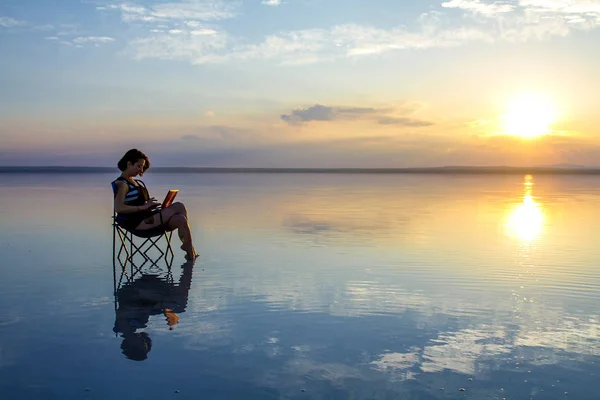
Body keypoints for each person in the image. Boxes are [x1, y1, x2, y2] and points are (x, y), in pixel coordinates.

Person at [112, 149, 198, 261]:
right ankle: (190, 250)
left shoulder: (136, 183)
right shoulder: (122, 184)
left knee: (180, 219)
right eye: (139, 166)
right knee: (179, 206)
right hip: (136, 223)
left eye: (142, 167)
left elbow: (137, 203)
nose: (141, 170)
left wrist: (148, 205)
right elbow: (118, 208)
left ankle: (190, 258)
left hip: (146, 218)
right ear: (129, 164)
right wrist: (143, 207)